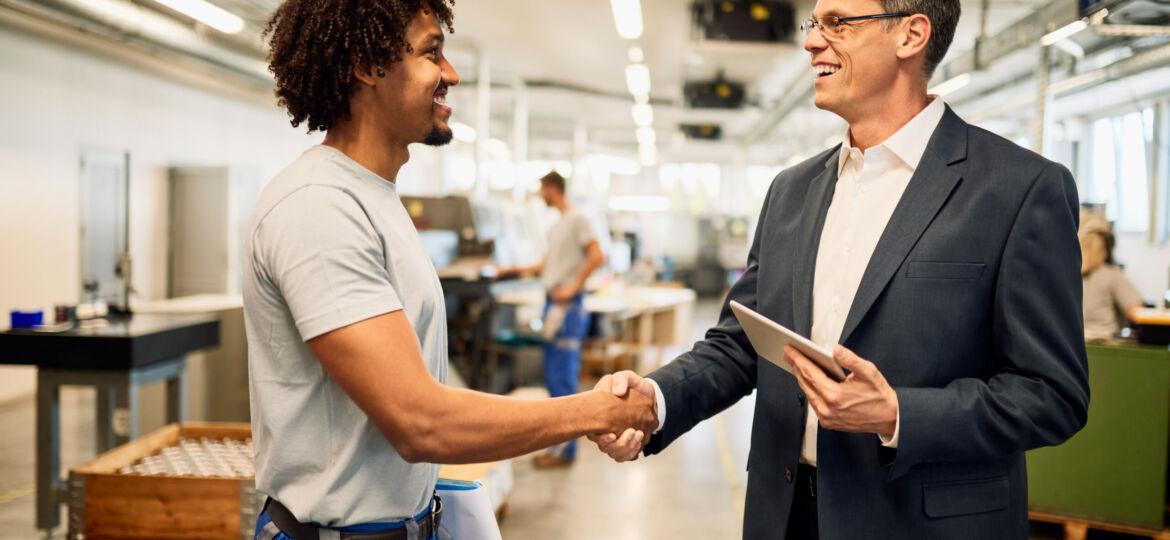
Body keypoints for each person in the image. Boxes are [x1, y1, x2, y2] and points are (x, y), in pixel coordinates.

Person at [590, 1, 1090, 538]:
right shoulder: (792, 191)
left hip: (915, 523)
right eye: (814, 23)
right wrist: (656, 399)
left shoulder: (1019, 189)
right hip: (784, 515)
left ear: (911, 35)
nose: (811, 42)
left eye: (838, 22)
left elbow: (1051, 394)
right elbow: (741, 342)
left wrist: (897, 413)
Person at [245, 2, 656, 539]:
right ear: (368, 66)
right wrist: (599, 411)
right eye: (431, 52)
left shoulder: (375, 198)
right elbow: (420, 421)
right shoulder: (318, 206)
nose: (452, 74)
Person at [494, 171, 606, 468]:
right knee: (553, 378)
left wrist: (572, 287)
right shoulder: (558, 225)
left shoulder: (577, 219)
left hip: (566, 307)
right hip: (552, 304)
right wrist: (510, 270)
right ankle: (559, 449)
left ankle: (564, 452)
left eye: (542, 189)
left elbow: (597, 255)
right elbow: (548, 264)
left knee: (562, 380)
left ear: (552, 188)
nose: (540, 195)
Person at [1080, 211, 1144, 341]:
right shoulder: (1112, 275)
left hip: (1075, 346)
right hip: (1107, 348)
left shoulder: (1067, 276)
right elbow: (1137, 313)